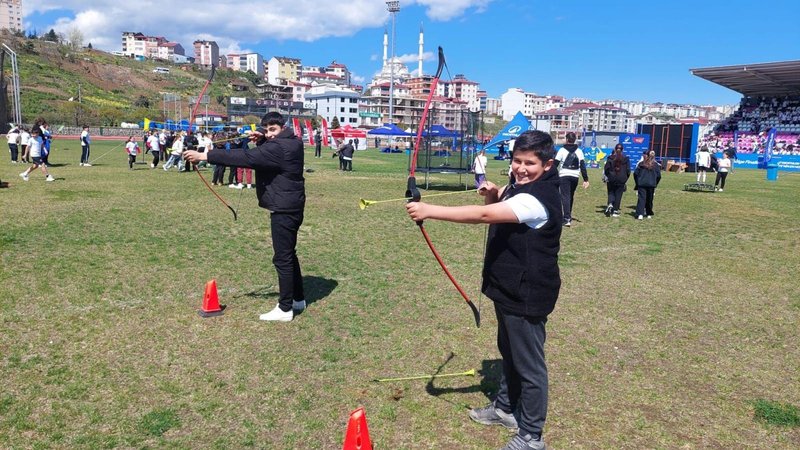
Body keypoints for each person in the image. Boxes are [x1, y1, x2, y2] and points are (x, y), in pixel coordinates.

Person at [406, 130, 560, 450]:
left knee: (529, 365)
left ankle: (531, 436)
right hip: (509, 287)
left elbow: (485, 215)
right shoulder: (518, 186)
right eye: (517, 160)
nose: (521, 168)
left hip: (527, 292)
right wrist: (492, 193)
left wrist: (429, 210)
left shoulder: (537, 198)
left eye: (530, 163)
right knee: (510, 351)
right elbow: (497, 207)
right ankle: (505, 409)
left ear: (547, 165)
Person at [183, 111, 306, 322]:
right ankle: (298, 299)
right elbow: (270, 156)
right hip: (291, 204)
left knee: (282, 258)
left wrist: (205, 156)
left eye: (273, 130)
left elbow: (247, 157)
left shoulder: (279, 147)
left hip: (285, 208)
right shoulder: (293, 142)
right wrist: (263, 140)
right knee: (289, 254)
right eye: (266, 130)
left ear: (283, 127)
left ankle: (285, 309)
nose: (270, 134)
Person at [554, 132, 589, 227]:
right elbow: (582, 166)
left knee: (565, 196)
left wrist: (550, 175)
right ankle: (568, 215)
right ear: (574, 140)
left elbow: (555, 164)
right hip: (575, 176)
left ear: (567, 139)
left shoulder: (562, 150)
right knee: (570, 196)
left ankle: (566, 218)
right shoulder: (579, 151)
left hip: (564, 175)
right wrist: (585, 179)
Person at [603, 144, 631, 217]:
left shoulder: (610, 158)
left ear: (615, 149)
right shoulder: (626, 158)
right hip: (621, 178)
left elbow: (606, 169)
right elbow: (628, 170)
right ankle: (615, 210)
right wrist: (625, 178)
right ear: (622, 150)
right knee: (618, 194)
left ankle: (610, 204)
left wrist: (609, 176)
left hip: (612, 178)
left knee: (611, 192)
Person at [633, 150, 661, 220]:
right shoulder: (655, 165)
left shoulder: (641, 164)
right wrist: (655, 183)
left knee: (641, 199)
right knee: (649, 199)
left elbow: (635, 173)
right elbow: (659, 176)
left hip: (642, 184)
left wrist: (637, 182)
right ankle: (648, 213)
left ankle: (640, 214)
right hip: (651, 184)